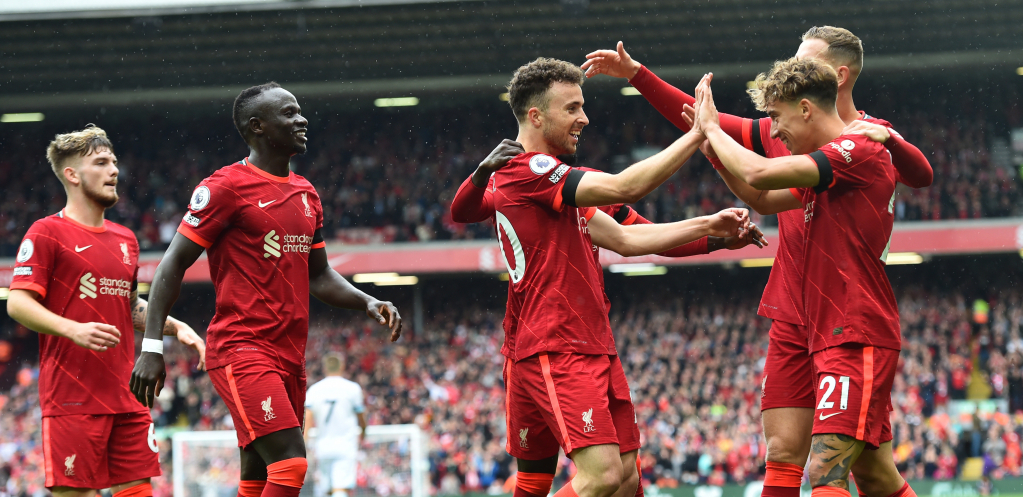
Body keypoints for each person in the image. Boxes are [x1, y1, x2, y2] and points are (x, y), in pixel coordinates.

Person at [582, 27, 931, 497]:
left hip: (850, 320)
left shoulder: (863, 142)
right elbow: (754, 186)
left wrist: (892, 140)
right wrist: (643, 80)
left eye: (805, 59)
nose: (793, 64)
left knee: (843, 473)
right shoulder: (791, 136)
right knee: (797, 458)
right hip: (795, 315)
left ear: (837, 76)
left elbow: (920, 174)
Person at [451, 57, 751, 497]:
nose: (584, 118)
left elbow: (632, 239)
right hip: (555, 344)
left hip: (582, 343)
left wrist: (711, 233)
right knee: (604, 477)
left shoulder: (561, 188)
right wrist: (698, 135)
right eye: (572, 107)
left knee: (607, 480)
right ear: (536, 115)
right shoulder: (528, 172)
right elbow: (625, 187)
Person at [129, 82, 403, 497]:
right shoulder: (225, 186)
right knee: (291, 463)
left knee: (257, 477)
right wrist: (151, 347)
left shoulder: (307, 193)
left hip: (290, 356)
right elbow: (172, 264)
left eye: (300, 111)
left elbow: (320, 275)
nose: (302, 119)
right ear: (258, 127)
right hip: (242, 349)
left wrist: (367, 301)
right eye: (290, 113)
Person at [692, 56, 907, 497]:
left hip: (855, 332)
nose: (772, 130)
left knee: (827, 473)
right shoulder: (819, 167)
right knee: (871, 476)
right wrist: (714, 154)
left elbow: (757, 170)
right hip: (815, 328)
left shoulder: (856, 150)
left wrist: (712, 127)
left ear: (806, 109)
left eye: (776, 116)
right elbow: (763, 198)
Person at [6, 125, 205, 497]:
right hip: (72, 400)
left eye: (113, 162)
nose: (114, 170)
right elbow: (18, 302)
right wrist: (72, 329)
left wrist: (176, 327)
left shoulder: (125, 239)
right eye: (101, 163)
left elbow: (129, 307)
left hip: (128, 397)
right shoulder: (47, 233)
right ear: (72, 175)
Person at [304, 354, 367, 497]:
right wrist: (363, 431)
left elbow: (308, 417)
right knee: (341, 488)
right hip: (345, 444)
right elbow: (361, 417)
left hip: (323, 445)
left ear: (325, 368)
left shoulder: (314, 390)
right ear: (342, 366)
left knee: (328, 489)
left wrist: (305, 442)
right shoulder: (352, 388)